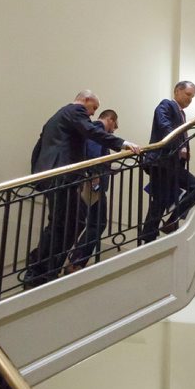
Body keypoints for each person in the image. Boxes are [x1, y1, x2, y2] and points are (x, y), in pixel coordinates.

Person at [24, 91, 140, 287]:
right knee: (62, 224)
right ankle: (38, 270)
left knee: (70, 221)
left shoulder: (56, 117)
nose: (93, 114)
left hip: (53, 175)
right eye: (93, 108)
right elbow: (91, 131)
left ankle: (46, 267)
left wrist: (38, 174)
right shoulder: (76, 110)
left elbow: (39, 147)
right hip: (61, 175)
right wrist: (122, 143)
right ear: (85, 100)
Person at [140, 81, 195, 243]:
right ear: (177, 91)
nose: (190, 99)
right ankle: (148, 240)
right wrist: (180, 147)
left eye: (192, 97)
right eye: (188, 95)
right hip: (161, 162)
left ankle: (170, 223)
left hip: (172, 164)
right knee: (159, 204)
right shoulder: (166, 105)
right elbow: (164, 126)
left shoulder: (181, 114)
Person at [65, 109, 119, 273]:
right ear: (110, 119)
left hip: (90, 181)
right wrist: (96, 177)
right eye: (114, 126)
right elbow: (95, 155)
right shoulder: (97, 130)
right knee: (97, 223)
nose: (114, 130)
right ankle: (76, 261)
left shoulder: (92, 130)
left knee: (90, 222)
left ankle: (74, 260)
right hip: (92, 183)